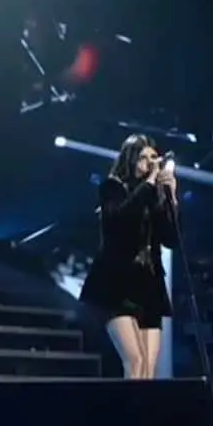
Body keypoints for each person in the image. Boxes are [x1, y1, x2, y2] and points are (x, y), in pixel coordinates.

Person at [79, 134, 179, 379]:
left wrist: (171, 197)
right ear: (130, 159)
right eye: (143, 157)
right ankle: (128, 405)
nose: (150, 162)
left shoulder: (155, 195)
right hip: (118, 285)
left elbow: (171, 239)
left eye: (154, 157)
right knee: (135, 361)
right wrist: (151, 183)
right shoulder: (112, 188)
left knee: (148, 369)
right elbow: (122, 220)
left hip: (149, 285)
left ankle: (142, 405)